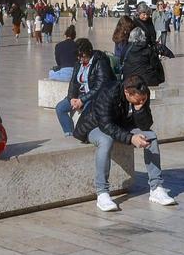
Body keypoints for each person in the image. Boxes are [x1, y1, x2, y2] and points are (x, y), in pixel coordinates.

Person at [74, 73, 176, 211]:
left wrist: (140, 110)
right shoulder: (108, 92)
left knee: (150, 136)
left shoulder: (142, 94)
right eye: (138, 100)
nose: (141, 102)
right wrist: (131, 138)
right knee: (106, 140)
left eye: (143, 100)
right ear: (127, 92)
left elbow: (146, 126)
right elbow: (107, 126)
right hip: (93, 126)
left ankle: (156, 187)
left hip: (121, 125)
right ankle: (102, 192)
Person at [56, 38, 112, 137]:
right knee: (60, 108)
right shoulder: (79, 63)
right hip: (81, 94)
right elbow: (73, 82)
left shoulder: (100, 62)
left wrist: (82, 100)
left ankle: (84, 135)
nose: (80, 58)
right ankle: (69, 133)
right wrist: (72, 97)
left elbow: (100, 86)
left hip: (94, 96)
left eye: (82, 56)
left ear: (88, 52)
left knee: (86, 114)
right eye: (78, 56)